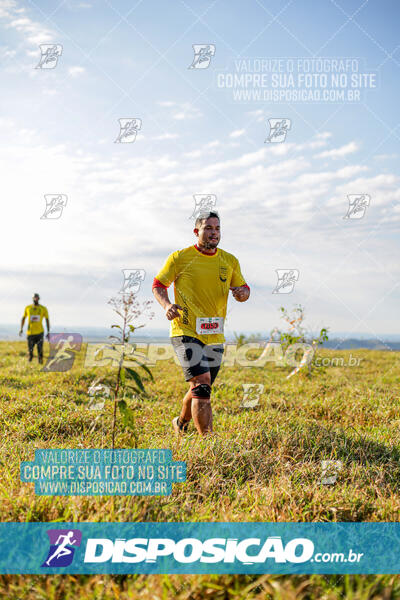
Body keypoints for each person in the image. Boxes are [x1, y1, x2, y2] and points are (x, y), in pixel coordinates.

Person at [152, 211, 250, 436]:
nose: (213, 233)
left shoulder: (229, 260)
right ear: (197, 232)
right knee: (202, 383)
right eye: (208, 228)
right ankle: (209, 440)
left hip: (215, 334)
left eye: (217, 229)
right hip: (185, 329)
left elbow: (244, 289)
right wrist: (167, 305)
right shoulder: (180, 257)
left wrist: (242, 293)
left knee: (199, 387)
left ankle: (180, 424)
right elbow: (158, 284)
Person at [19, 293, 50, 364]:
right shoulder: (28, 308)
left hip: (40, 332)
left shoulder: (43, 308)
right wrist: (21, 328)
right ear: (32, 298)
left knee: (40, 349)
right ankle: (29, 362)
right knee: (30, 350)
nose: (35, 299)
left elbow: (47, 320)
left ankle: (40, 362)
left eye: (37, 297)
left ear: (39, 298)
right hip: (30, 333)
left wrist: (48, 331)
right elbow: (23, 318)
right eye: (34, 297)